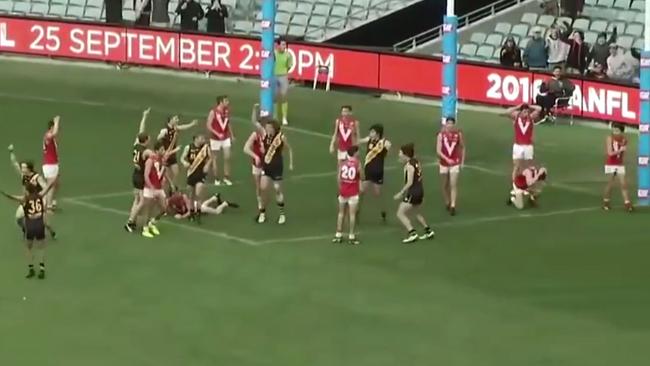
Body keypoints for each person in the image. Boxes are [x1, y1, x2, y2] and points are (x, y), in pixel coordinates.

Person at [2, 181, 55, 279]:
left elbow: (12, 197)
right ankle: (42, 269)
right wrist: (53, 181)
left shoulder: (24, 199)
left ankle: (31, 269)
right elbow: (47, 188)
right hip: (39, 225)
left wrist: (4, 193)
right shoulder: (40, 195)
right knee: (41, 248)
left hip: (30, 225)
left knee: (28, 247)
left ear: (27, 191)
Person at [8, 146, 57, 239]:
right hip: (27, 200)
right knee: (18, 218)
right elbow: (14, 164)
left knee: (42, 220)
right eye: (22, 167)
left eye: (23, 167)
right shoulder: (23, 175)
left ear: (29, 168)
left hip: (38, 200)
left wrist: (44, 201)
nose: (22, 169)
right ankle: (25, 229)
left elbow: (45, 187)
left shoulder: (37, 177)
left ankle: (52, 232)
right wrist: (11, 152)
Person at [393, 143, 435, 244]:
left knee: (400, 213)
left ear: (405, 154)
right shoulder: (416, 162)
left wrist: (401, 193)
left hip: (413, 192)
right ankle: (428, 231)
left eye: (400, 152)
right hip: (420, 190)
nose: (399, 154)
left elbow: (409, 182)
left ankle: (412, 233)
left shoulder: (409, 166)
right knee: (416, 212)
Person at [256, 119, 293, 225]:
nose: (267, 129)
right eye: (267, 128)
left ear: (274, 128)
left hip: (277, 167)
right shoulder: (265, 136)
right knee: (263, 188)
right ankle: (262, 213)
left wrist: (290, 163)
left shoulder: (280, 137)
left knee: (277, 190)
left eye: (269, 128)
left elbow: (289, 149)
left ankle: (282, 214)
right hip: (267, 167)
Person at [357, 124, 390, 223]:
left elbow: (388, 148)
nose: (370, 134)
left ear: (378, 133)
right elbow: (359, 141)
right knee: (361, 191)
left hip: (378, 171)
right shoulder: (369, 140)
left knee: (377, 193)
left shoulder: (384, 143)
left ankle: (383, 212)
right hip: (368, 170)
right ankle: (357, 211)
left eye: (372, 132)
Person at [125, 108, 152, 233]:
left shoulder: (136, 145)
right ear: (145, 140)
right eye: (148, 138)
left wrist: (144, 116)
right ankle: (130, 221)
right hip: (141, 177)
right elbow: (155, 156)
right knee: (142, 201)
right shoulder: (146, 151)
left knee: (136, 200)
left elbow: (140, 130)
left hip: (134, 175)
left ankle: (133, 221)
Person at [157, 115, 197, 192]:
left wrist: (192, 124)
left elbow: (183, 127)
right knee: (167, 175)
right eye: (175, 119)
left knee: (176, 172)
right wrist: (161, 136)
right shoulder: (165, 130)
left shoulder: (175, 128)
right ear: (170, 120)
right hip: (166, 155)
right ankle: (167, 189)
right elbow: (158, 138)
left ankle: (172, 187)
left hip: (173, 154)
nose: (177, 120)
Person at [503, 103, 542, 180]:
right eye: (524, 112)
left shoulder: (530, 118)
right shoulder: (516, 118)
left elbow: (539, 108)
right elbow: (507, 112)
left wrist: (529, 106)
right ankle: (515, 186)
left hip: (528, 146)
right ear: (520, 112)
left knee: (529, 167)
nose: (526, 114)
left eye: (527, 112)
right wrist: (517, 107)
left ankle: (526, 185)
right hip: (518, 146)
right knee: (516, 167)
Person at [436, 117, 465, 216]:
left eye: (451, 124)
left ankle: (453, 205)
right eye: (448, 123)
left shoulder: (458, 134)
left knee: (453, 184)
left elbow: (462, 146)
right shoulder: (441, 135)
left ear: (454, 125)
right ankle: (447, 201)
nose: (450, 125)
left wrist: (462, 161)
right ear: (445, 124)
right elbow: (438, 150)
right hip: (444, 163)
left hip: (454, 162)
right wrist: (446, 159)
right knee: (445, 185)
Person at [333, 145, 361, 245]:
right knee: (352, 214)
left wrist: (340, 188)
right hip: (353, 192)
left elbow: (338, 178)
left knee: (341, 213)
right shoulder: (357, 163)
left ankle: (338, 234)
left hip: (343, 191)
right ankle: (351, 235)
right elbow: (360, 175)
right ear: (354, 153)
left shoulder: (342, 163)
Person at [181, 134, 211, 220]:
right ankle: (191, 212)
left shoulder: (205, 148)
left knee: (198, 193)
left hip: (201, 173)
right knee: (191, 194)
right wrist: (184, 163)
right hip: (191, 173)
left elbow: (210, 158)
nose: (203, 140)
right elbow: (182, 158)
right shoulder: (188, 147)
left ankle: (198, 210)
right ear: (196, 139)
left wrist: (207, 165)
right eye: (201, 138)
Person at [603, 123, 633, 212]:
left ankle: (627, 204)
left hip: (619, 164)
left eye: (617, 130)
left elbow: (623, 152)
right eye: (614, 129)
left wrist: (622, 151)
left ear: (621, 131)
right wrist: (620, 150)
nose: (615, 131)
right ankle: (606, 202)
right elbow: (610, 153)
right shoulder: (609, 138)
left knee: (623, 184)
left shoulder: (624, 140)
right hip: (611, 164)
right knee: (610, 184)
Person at [141, 141, 168, 238]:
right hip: (150, 188)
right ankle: (145, 228)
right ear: (156, 151)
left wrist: (165, 180)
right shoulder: (150, 160)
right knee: (148, 209)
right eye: (162, 150)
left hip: (159, 188)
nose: (163, 151)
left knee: (164, 208)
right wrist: (151, 187)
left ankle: (152, 223)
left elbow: (161, 173)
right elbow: (146, 175)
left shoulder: (161, 160)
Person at [206, 95, 234, 186]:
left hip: (225, 137)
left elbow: (228, 123)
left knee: (227, 157)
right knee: (215, 159)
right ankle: (216, 178)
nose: (228, 102)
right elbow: (208, 125)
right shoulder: (213, 112)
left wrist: (232, 135)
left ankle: (226, 177)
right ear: (221, 102)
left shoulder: (227, 111)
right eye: (226, 101)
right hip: (215, 139)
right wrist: (217, 134)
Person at [244, 104, 266, 212]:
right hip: (257, 164)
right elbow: (245, 148)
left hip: (267, 164)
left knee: (264, 185)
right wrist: (255, 156)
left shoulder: (270, 136)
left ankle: (264, 201)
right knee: (258, 185)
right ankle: (260, 203)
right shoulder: (256, 135)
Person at [167, 192, 237, 219]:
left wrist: (182, 217)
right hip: (197, 206)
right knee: (204, 206)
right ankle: (214, 197)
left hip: (198, 207)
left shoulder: (184, 198)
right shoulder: (171, 201)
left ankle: (225, 204)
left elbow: (190, 211)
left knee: (216, 212)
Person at [42, 115, 60, 210]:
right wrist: (56, 121)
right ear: (51, 128)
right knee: (51, 186)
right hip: (50, 165)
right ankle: (48, 206)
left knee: (56, 184)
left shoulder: (50, 137)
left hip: (53, 164)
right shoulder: (48, 135)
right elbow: (54, 133)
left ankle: (50, 201)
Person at [274, 39, 293, 125]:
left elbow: (289, 66)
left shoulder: (288, 55)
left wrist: (284, 72)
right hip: (274, 76)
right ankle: (275, 117)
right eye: (282, 45)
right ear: (278, 45)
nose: (284, 47)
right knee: (274, 97)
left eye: (285, 45)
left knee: (284, 97)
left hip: (283, 76)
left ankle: (284, 118)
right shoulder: (274, 53)